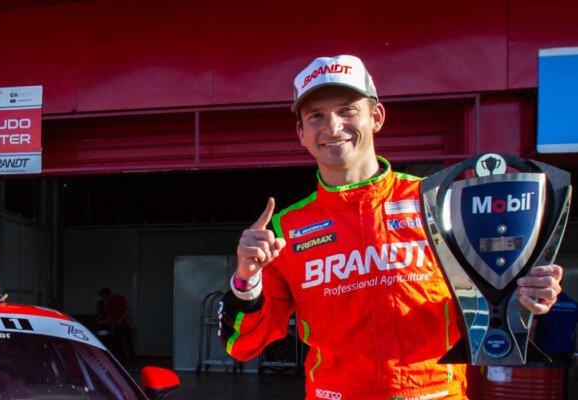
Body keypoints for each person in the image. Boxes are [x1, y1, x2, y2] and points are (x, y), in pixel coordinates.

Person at [220, 55, 565, 400]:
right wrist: (247, 279)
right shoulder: (286, 228)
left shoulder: (438, 201)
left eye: (347, 110)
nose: (332, 126)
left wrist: (525, 297)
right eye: (316, 116)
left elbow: (491, 303)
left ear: (377, 117)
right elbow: (243, 345)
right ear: (301, 133)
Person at [99, 287, 135, 366]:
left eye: (103, 296)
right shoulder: (108, 304)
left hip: (125, 325)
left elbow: (128, 308)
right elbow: (110, 317)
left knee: (129, 345)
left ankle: (134, 364)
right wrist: (102, 322)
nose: (103, 299)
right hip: (117, 327)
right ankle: (122, 363)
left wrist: (122, 318)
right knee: (119, 346)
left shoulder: (119, 298)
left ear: (106, 295)